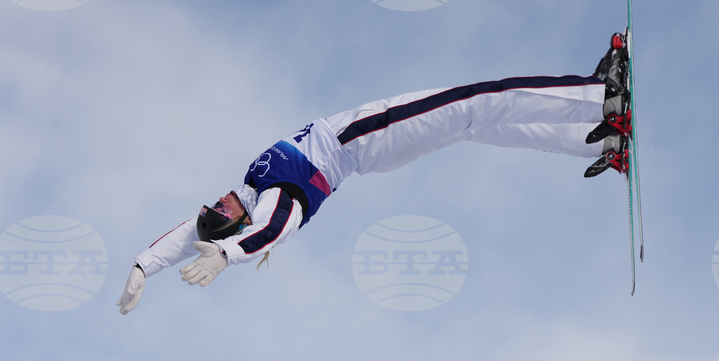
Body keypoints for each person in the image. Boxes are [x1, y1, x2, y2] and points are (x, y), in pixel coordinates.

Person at [117, 36, 632, 314]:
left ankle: (600, 139)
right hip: (361, 141)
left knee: (476, 123)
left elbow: (191, 232)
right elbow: (275, 230)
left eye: (211, 207)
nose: (216, 204)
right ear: (236, 225)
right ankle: (597, 96)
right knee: (475, 101)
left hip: (363, 146)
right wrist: (230, 254)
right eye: (221, 214)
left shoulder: (251, 188)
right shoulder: (273, 199)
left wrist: (144, 264)